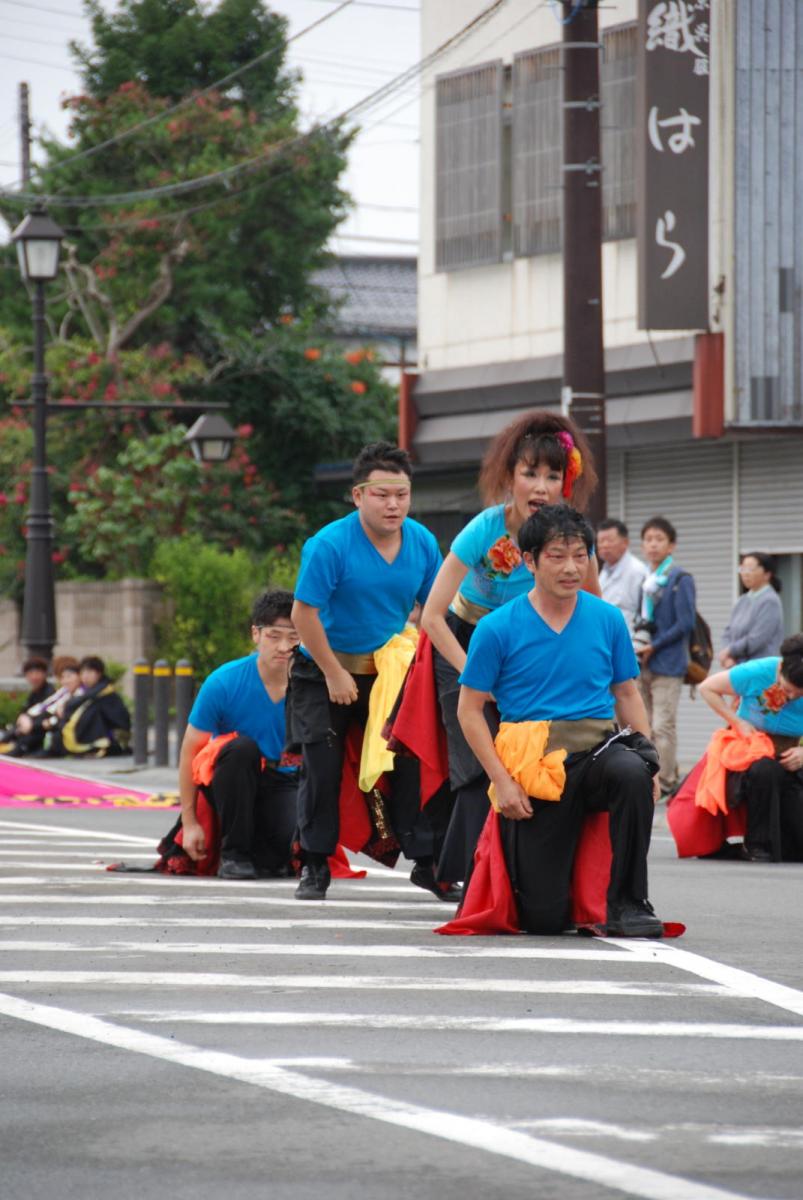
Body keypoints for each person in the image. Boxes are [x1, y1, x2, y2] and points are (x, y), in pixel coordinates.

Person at [456, 504, 663, 937]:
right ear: (528, 560)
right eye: (556, 556)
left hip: (598, 753)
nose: (571, 568)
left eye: (580, 555)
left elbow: (627, 693)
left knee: (631, 772)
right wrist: (502, 781)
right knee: (544, 920)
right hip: (534, 766)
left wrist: (650, 761)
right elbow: (469, 710)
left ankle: (630, 902)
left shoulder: (606, 619)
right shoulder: (495, 628)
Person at [420, 410, 598, 886]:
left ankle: (512, 872)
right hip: (463, 641)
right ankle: (459, 873)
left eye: (552, 475)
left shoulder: (574, 536)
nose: (540, 487)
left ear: (567, 481)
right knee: (481, 764)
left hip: (527, 651)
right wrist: (471, 677)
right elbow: (433, 616)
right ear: (509, 477)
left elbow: (592, 613)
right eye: (529, 474)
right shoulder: (484, 528)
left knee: (528, 759)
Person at [288, 441, 448, 901]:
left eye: (402, 493)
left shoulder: (421, 541)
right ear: (358, 496)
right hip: (323, 670)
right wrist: (335, 673)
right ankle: (314, 863)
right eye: (381, 494)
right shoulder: (329, 545)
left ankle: (428, 862)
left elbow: (435, 610)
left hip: (387, 672)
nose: (393, 503)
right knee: (321, 765)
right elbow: (303, 616)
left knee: (410, 760)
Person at [179, 589, 301, 880]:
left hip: (285, 780)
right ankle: (233, 855)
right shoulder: (224, 681)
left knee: (283, 860)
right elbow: (190, 752)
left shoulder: (314, 681)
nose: (284, 646)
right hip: (233, 780)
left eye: (294, 637)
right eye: (274, 635)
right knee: (241, 749)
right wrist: (190, 822)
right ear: (256, 635)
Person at [698, 635, 803, 862]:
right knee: (765, 770)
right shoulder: (758, 671)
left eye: (800, 693)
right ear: (781, 668)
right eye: (789, 689)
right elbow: (707, 688)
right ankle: (758, 845)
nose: (793, 696)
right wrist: (738, 722)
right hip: (750, 748)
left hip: (795, 750)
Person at [635, 517, 696, 797]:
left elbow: (685, 623)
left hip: (668, 663)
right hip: (643, 660)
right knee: (644, 723)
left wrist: (655, 645)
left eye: (659, 539)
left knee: (663, 724)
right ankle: (651, 776)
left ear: (671, 545)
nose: (653, 545)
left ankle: (669, 779)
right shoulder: (646, 581)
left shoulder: (680, 579)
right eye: (648, 539)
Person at [55, 655, 131, 757]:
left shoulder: (104, 691)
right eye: (83, 673)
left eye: (89, 672)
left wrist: (66, 706)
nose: (85, 676)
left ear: (99, 674)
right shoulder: (92, 690)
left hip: (114, 735)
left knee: (92, 710)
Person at [718, 552, 784, 667]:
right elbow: (728, 632)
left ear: (767, 574)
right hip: (737, 666)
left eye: (750, 569)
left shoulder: (770, 601)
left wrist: (730, 651)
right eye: (742, 569)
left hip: (760, 668)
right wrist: (727, 656)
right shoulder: (742, 600)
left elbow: (757, 639)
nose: (745, 574)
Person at [596, 518, 648, 630]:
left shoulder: (637, 571)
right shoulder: (604, 570)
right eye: (600, 541)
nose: (604, 545)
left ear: (625, 542)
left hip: (629, 638)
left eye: (609, 540)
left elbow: (644, 613)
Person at [0, 657, 55, 756]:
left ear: (45, 674)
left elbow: (47, 715)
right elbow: (23, 713)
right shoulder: (33, 693)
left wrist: (30, 724)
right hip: (26, 731)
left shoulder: (50, 692)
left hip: (40, 734)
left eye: (38, 673)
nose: (34, 677)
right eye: (30, 673)